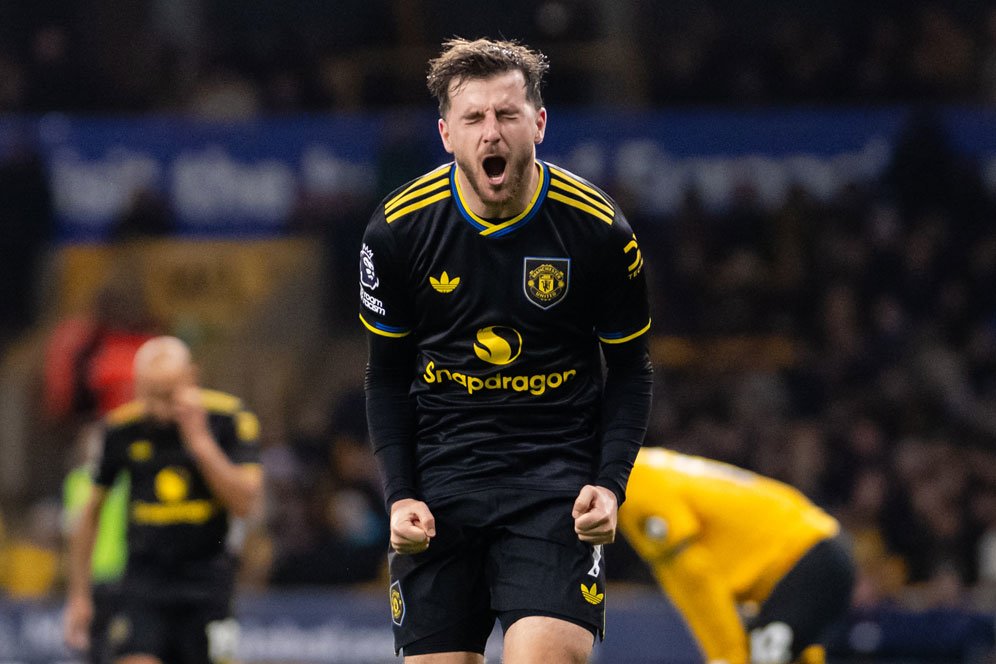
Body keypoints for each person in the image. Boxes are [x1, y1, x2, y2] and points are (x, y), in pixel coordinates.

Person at [360, 38, 653, 663]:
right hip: (440, 488)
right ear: (447, 134)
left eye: (507, 114)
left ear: (538, 123)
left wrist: (609, 485)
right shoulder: (397, 231)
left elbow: (631, 369)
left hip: (555, 486)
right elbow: (385, 378)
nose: (491, 132)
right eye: (473, 117)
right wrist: (400, 495)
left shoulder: (599, 229)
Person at [63, 336, 263, 664]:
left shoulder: (230, 419)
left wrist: (200, 442)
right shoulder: (121, 429)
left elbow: (245, 503)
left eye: (169, 395)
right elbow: (89, 513)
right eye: (150, 394)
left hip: (208, 582)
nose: (159, 408)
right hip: (144, 581)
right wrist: (79, 596)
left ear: (191, 378)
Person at [617, 447, 856, 664]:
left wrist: (727, 655)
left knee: (760, 655)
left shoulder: (638, 490)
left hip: (806, 558)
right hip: (810, 556)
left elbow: (695, 577)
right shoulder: (644, 467)